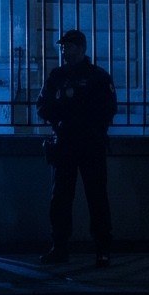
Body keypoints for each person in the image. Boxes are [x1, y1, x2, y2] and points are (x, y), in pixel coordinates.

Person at [36, 29, 117, 268]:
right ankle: (59, 247)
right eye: (63, 47)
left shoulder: (98, 77)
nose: (64, 50)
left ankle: (103, 249)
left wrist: (69, 113)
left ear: (81, 48)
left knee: (97, 198)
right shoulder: (56, 76)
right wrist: (65, 115)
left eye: (69, 46)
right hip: (65, 143)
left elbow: (108, 109)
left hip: (90, 143)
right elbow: (42, 106)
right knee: (60, 199)